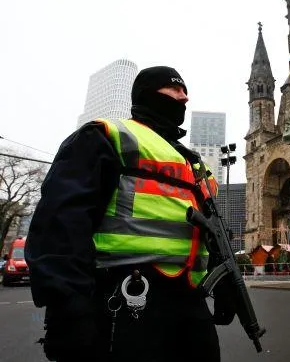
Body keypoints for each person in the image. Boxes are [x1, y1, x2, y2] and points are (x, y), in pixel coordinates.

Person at [26, 66, 228, 362]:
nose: (184, 97)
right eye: (174, 89)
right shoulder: (106, 136)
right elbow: (61, 223)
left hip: (191, 304)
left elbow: (213, 233)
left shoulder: (196, 164)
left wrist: (224, 285)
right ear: (148, 94)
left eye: (185, 91)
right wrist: (67, 306)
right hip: (125, 296)